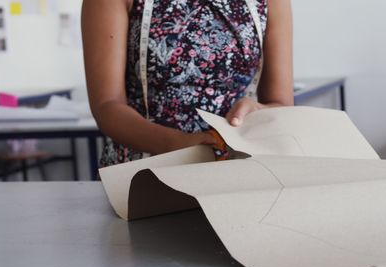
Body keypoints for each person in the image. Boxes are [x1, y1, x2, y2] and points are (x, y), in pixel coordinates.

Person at [82, 0, 294, 167]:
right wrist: (177, 144)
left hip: (236, 168)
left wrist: (256, 110)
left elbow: (281, 105)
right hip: (144, 172)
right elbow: (106, 105)